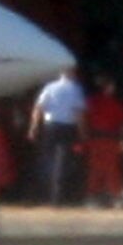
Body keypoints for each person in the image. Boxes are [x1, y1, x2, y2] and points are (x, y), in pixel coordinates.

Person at [28, 67, 87, 205]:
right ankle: (58, 196)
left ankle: (43, 193)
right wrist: (83, 131)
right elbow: (78, 113)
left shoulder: (49, 87)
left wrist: (33, 127)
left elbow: (38, 108)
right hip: (67, 127)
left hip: (50, 126)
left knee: (47, 158)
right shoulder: (75, 89)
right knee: (63, 161)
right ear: (73, 73)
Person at [83, 74, 123, 208]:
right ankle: (116, 196)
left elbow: (84, 119)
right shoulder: (115, 104)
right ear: (108, 88)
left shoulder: (89, 102)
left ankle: (92, 197)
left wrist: (84, 136)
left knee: (95, 169)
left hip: (94, 139)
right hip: (110, 140)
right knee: (112, 169)